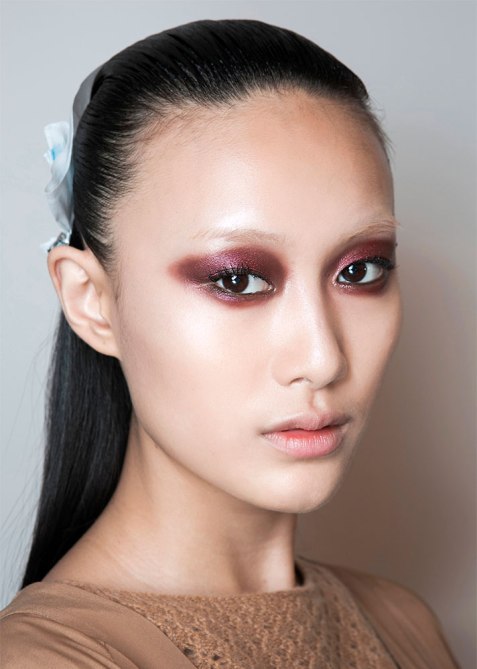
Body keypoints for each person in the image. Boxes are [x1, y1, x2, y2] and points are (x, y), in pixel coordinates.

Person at [0, 18, 459, 668]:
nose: (322, 358)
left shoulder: (406, 625)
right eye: (237, 279)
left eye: (359, 270)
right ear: (91, 301)